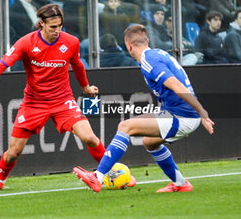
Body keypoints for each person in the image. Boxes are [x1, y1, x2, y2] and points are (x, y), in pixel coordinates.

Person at [0, 4, 107, 192]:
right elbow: (1, 65)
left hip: (63, 101)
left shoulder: (71, 42)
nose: (57, 31)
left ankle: (109, 174)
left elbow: (77, 64)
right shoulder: (26, 42)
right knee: (13, 153)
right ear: (41, 24)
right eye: (53, 27)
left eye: (60, 26)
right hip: (34, 103)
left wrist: (85, 87)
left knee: (90, 138)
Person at [73, 24, 214, 193]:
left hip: (182, 115)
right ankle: (181, 184)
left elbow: (176, 85)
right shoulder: (159, 53)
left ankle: (98, 178)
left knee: (125, 127)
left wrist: (201, 112)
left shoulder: (149, 60)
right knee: (150, 142)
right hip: (180, 113)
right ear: (147, 40)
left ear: (128, 45)